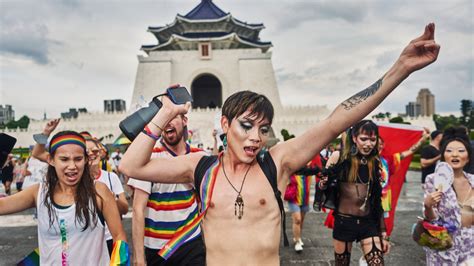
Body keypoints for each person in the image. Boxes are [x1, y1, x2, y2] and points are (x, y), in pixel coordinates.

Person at [120, 23, 440, 265]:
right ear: (225, 125)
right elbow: (131, 166)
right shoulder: (201, 167)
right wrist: (164, 114)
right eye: (246, 126)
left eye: (263, 128)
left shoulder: (277, 162)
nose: (255, 137)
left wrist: (401, 69)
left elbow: (336, 121)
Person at [0, 131, 127, 264]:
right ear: (51, 160)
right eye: (64, 159)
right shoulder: (39, 192)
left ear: (85, 160)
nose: (72, 166)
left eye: (78, 159)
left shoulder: (99, 191)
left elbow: (119, 236)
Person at [128, 113, 206, 265]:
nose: (167, 123)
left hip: (190, 242)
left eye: (172, 118)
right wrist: (139, 257)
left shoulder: (200, 157)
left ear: (184, 121)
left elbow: (205, 205)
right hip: (157, 248)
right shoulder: (148, 157)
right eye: (165, 118)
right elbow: (138, 208)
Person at [318, 120, 389, 265]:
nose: (368, 144)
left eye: (373, 139)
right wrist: (324, 183)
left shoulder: (374, 161)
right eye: (364, 139)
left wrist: (383, 232)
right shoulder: (339, 157)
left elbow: (376, 199)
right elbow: (322, 188)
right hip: (344, 222)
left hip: (368, 223)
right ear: (355, 138)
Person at [423, 127, 473, 265]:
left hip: (470, 249)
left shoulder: (473, 181)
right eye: (449, 151)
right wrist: (428, 205)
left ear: (468, 157)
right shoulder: (433, 180)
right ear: (443, 155)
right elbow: (431, 219)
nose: (455, 154)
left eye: (461, 151)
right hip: (444, 250)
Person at [85, 137, 129, 255]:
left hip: (110, 238)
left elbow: (124, 209)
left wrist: (112, 199)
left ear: (100, 153)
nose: (91, 154)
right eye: (86, 152)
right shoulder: (75, 181)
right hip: (88, 241)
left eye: (94, 151)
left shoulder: (111, 177)